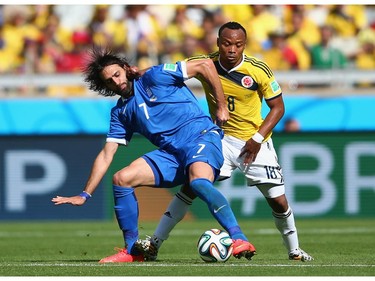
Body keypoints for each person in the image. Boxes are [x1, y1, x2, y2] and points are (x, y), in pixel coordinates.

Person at [51, 47, 256, 263]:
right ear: (105, 87)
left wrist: (221, 105)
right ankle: (133, 251)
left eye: (117, 74)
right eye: (109, 81)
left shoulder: (154, 76)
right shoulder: (120, 113)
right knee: (121, 179)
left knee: (198, 182)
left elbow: (205, 65)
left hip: (201, 137)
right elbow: (106, 155)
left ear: (125, 68)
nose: (116, 81)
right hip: (172, 154)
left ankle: (239, 238)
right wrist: (85, 194)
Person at [135, 21, 313, 262]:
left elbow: (278, 107)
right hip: (218, 139)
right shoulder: (204, 63)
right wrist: (139, 72)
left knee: (278, 201)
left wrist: (257, 138)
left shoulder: (258, 69)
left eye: (238, 45)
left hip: (254, 142)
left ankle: (294, 251)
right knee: (191, 186)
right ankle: (154, 244)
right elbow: (164, 71)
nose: (232, 49)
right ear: (218, 43)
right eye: (227, 44)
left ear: (244, 46)